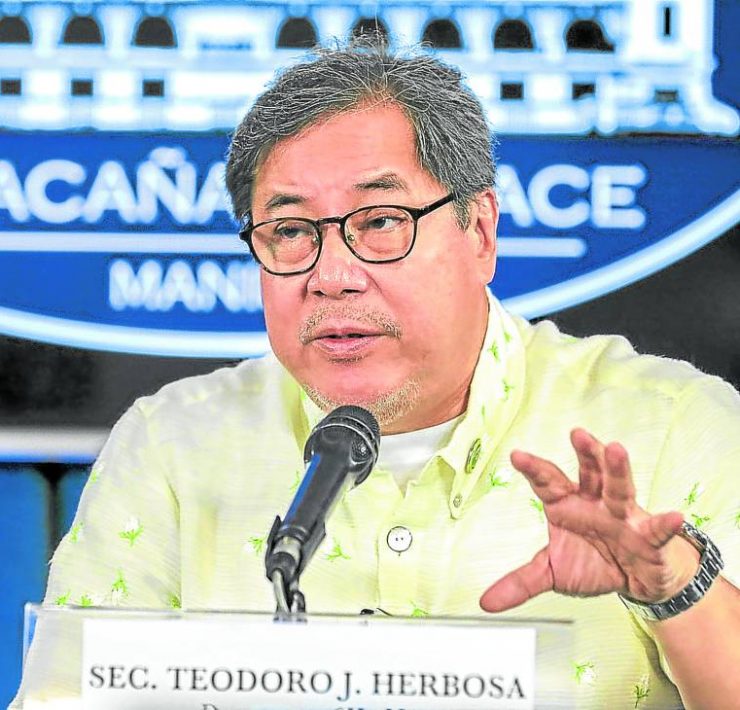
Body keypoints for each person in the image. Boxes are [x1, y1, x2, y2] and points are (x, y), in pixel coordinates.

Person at [13, 42, 740, 708]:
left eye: (382, 221)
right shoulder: (174, 444)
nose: (332, 275)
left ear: (480, 233)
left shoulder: (671, 423)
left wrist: (674, 582)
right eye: (290, 231)